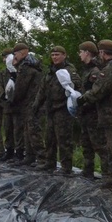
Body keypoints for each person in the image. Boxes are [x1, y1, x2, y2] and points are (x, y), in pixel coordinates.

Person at [77, 39, 112, 195]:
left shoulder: (110, 70)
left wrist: (81, 99)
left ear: (102, 53)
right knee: (111, 150)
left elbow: (98, 91)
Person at [33, 46, 80, 174]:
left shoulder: (69, 70)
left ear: (64, 55)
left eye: (57, 54)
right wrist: (36, 105)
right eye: (53, 55)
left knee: (64, 139)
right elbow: (42, 90)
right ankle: (50, 162)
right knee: (49, 138)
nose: (54, 57)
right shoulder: (50, 71)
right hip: (50, 109)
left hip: (63, 109)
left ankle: (66, 167)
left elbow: (76, 87)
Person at [77, 41, 107, 179]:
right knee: (86, 144)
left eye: (81, 52)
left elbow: (97, 93)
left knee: (99, 145)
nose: (79, 55)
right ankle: (87, 170)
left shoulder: (95, 71)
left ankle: (108, 174)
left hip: (93, 114)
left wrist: (84, 102)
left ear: (87, 53)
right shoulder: (87, 69)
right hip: (85, 113)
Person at [10, 43, 43, 166]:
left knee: (33, 131)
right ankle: (30, 156)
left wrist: (13, 101)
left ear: (23, 53)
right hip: (31, 103)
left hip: (31, 103)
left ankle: (41, 158)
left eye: (16, 54)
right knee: (28, 131)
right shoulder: (32, 66)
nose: (15, 57)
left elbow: (20, 88)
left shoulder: (26, 68)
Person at [0, 48, 17, 161]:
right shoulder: (2, 73)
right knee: (8, 128)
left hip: (18, 105)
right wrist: (3, 95)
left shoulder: (18, 71)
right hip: (7, 105)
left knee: (19, 130)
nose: (5, 60)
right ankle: (9, 151)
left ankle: (20, 152)